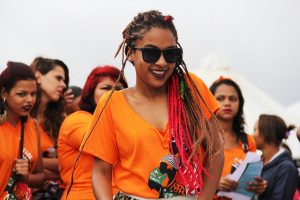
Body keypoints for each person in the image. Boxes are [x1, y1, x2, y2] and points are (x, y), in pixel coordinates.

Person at [81, 10, 224, 199]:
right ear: (131, 53)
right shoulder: (112, 104)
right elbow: (100, 172)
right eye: (151, 53)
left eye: (171, 54)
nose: (162, 62)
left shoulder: (190, 89)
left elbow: (216, 152)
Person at [57, 65, 127, 200]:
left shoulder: (125, 123)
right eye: (106, 88)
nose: (113, 93)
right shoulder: (77, 119)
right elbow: (99, 140)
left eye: (119, 89)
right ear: (91, 92)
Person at [210, 77, 267, 199]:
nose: (227, 103)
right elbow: (188, 179)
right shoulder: (201, 138)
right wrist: (215, 184)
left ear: (240, 103)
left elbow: (251, 177)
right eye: (220, 98)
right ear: (209, 101)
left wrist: (258, 185)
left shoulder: (248, 141)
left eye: (233, 99)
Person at [0, 62, 44, 199]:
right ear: (4, 93)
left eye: (33, 94)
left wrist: (28, 177)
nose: (30, 100)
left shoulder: (33, 125)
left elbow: (41, 176)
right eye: (22, 94)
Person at [30, 56, 69, 198]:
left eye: (64, 80)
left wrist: (34, 163)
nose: (63, 85)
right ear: (38, 76)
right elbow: (11, 162)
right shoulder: (18, 117)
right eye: (58, 78)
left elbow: (70, 164)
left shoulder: (61, 120)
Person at [253, 114, 298, 199]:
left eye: (255, 130)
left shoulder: (286, 168)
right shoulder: (257, 163)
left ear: (265, 133)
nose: (252, 135)